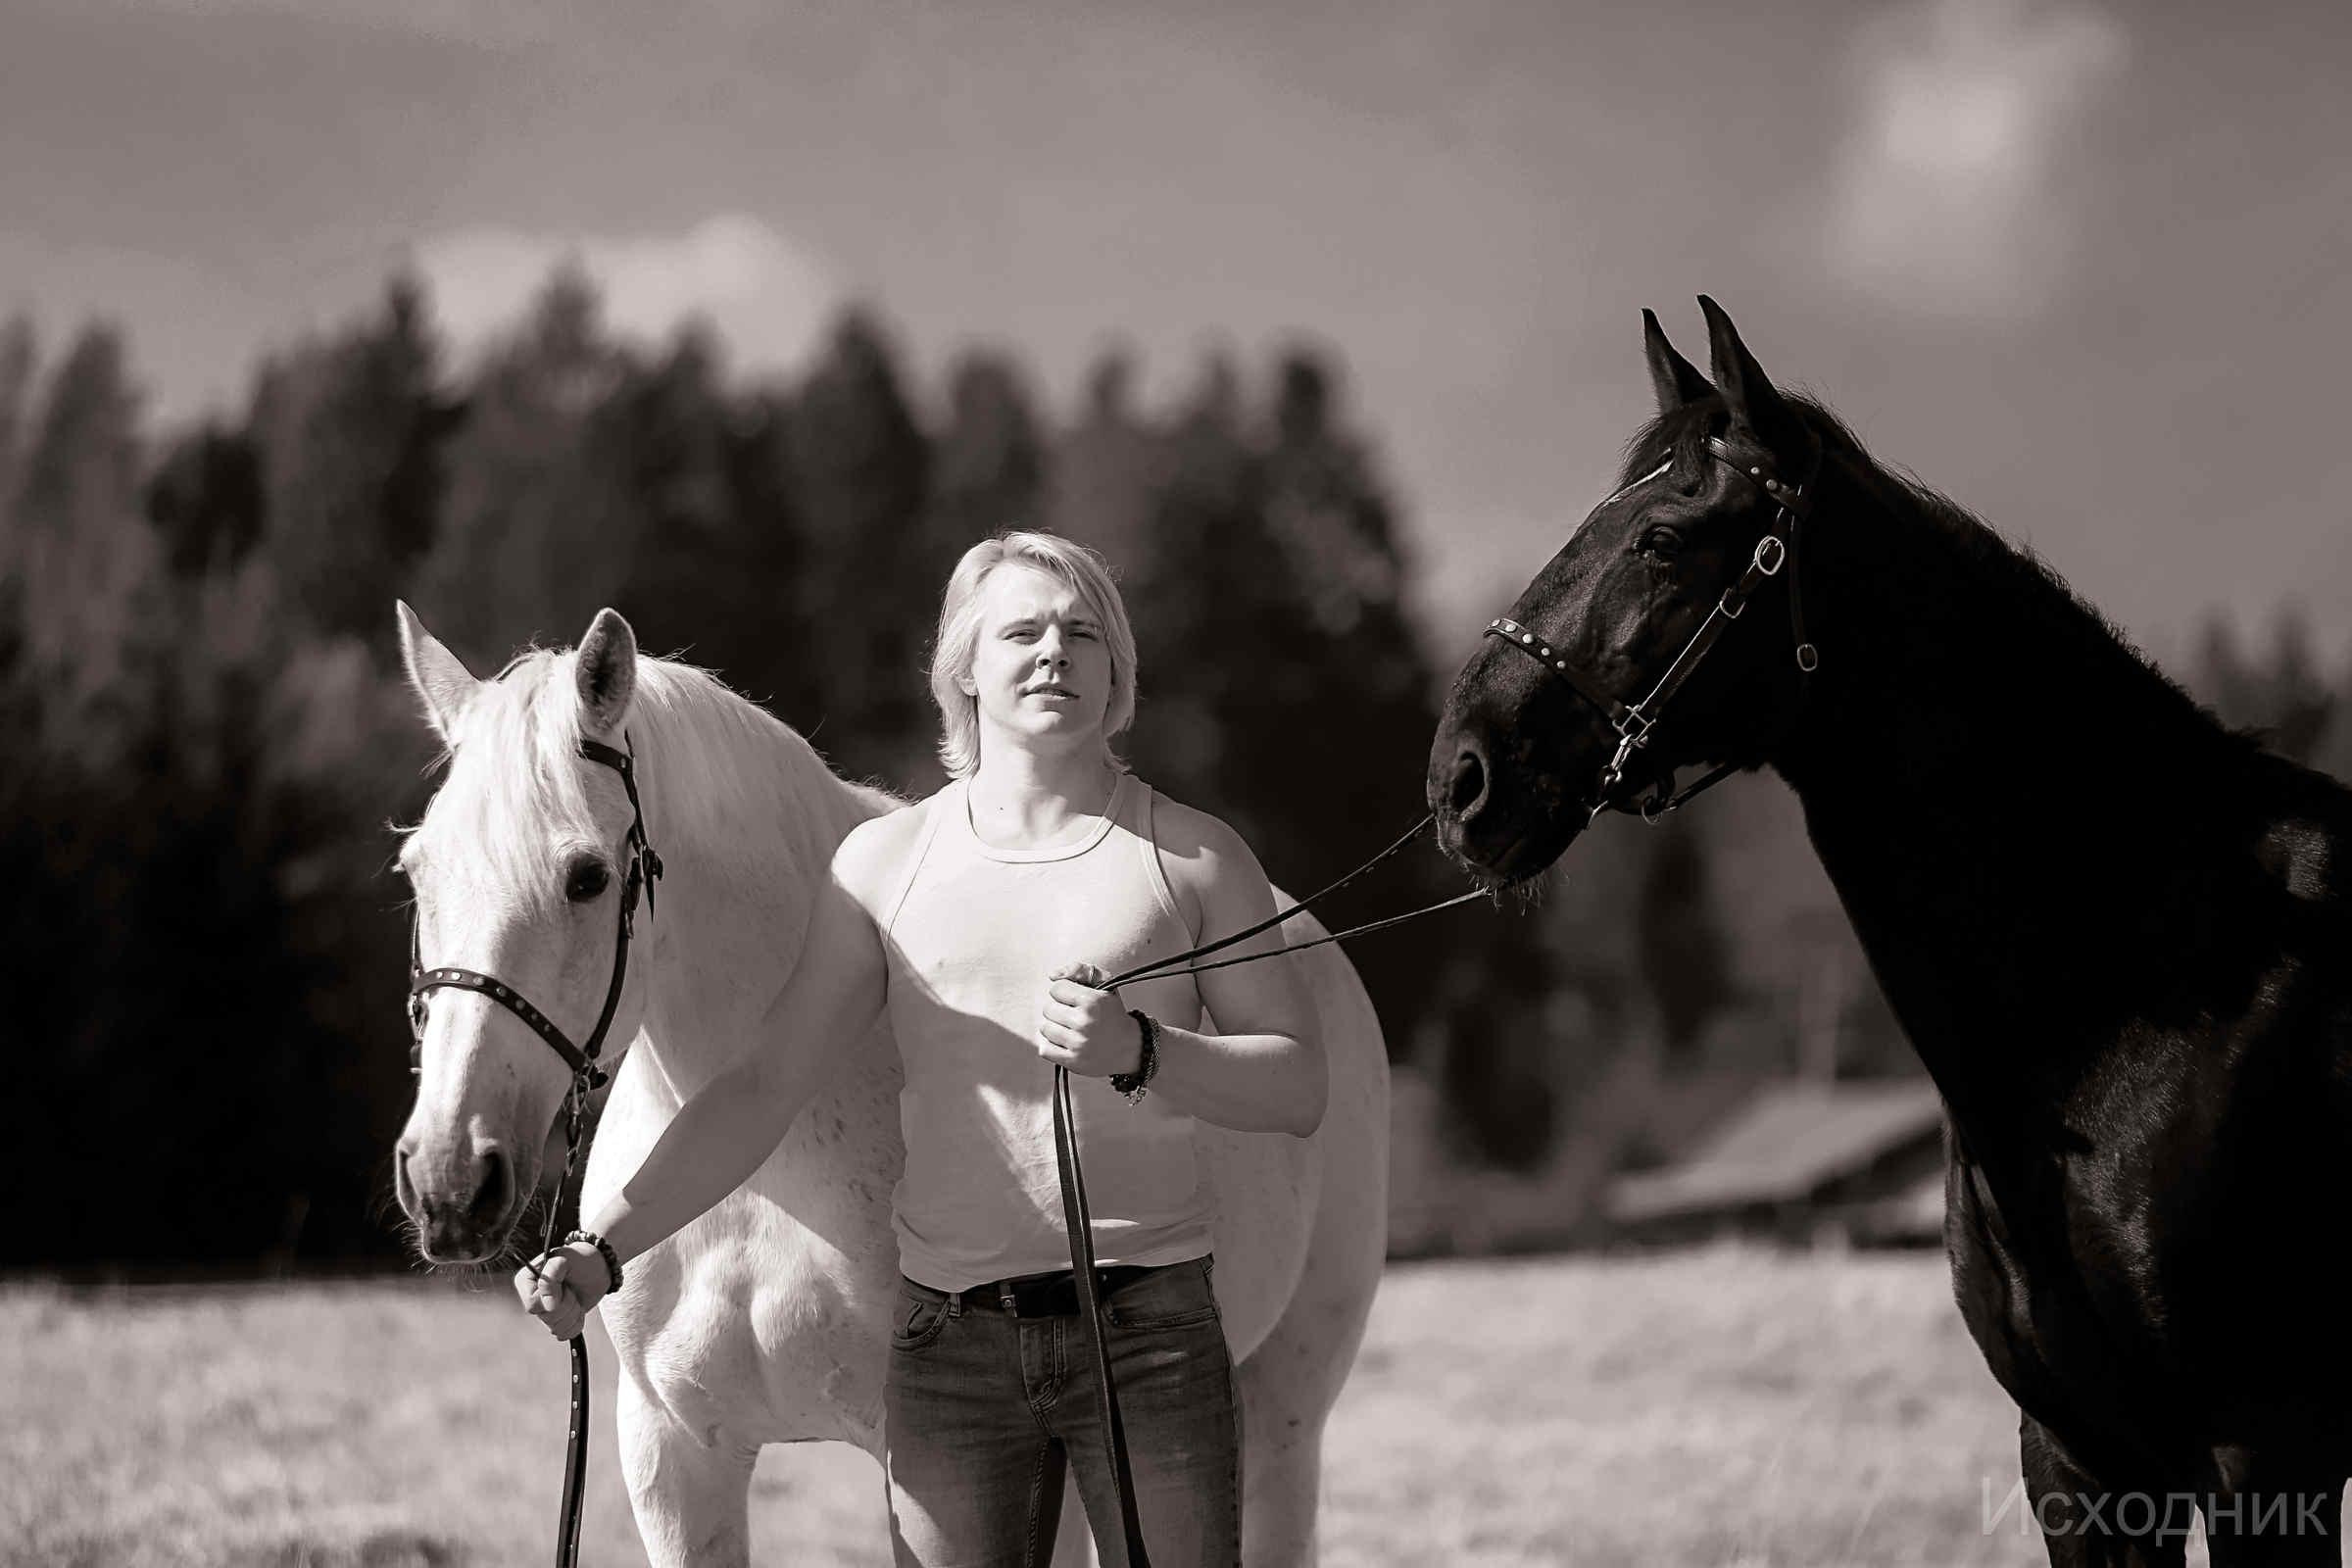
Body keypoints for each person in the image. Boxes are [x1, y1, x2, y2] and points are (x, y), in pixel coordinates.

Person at [517, 529, 1325, 1566]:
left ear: (1118, 669)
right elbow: (761, 1087)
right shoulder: (883, 865)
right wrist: (603, 1247)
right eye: (1022, 632)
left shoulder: (1198, 856)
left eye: (1083, 632)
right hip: (955, 1347)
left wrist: (1143, 1049)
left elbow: (1298, 1084)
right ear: (965, 671)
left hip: (1146, 1331)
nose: (1055, 651)